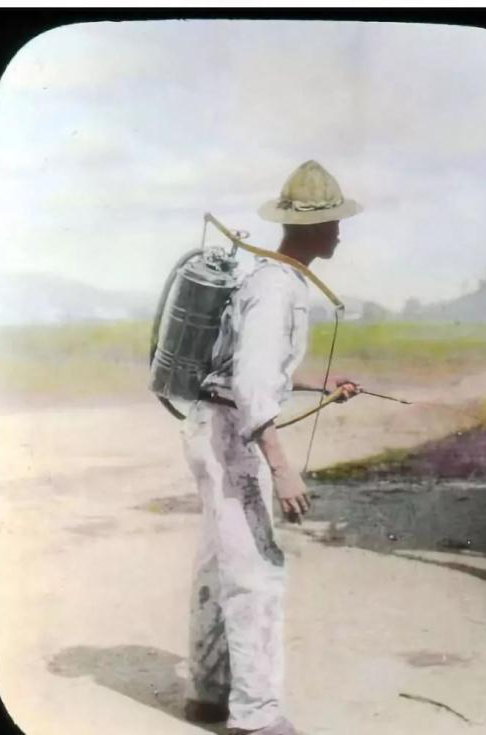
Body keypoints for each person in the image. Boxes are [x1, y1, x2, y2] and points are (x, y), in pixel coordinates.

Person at [181, 160, 363, 735]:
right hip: (232, 435)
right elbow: (254, 387)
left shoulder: (272, 280)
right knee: (257, 569)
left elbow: (253, 369)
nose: (339, 233)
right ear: (314, 228)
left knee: (221, 559)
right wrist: (283, 470)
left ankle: (209, 693)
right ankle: (255, 717)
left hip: (215, 422)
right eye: (334, 223)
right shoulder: (276, 288)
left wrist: (320, 384)